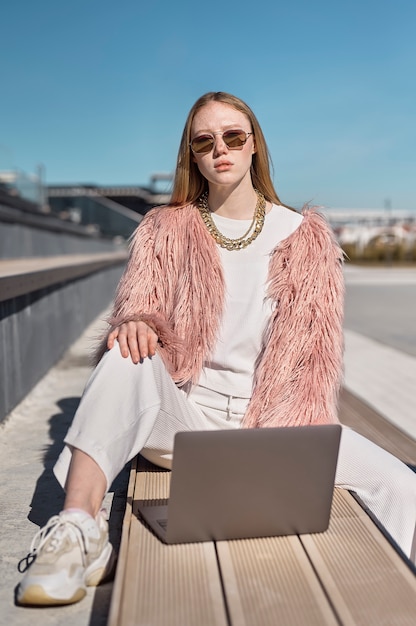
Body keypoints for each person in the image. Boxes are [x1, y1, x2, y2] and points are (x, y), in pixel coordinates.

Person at [17, 91, 416, 606]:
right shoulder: (164, 228)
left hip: (279, 428)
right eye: (204, 141)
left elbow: (312, 364)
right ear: (192, 155)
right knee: (125, 349)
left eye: (233, 137)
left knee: (400, 486)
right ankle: (76, 531)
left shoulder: (304, 237)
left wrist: (281, 445)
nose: (220, 149)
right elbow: (138, 305)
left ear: (254, 147)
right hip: (184, 423)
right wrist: (136, 322)